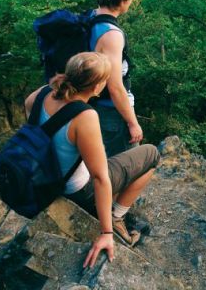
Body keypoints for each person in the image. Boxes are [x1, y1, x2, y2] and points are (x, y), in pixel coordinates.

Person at [24, 52, 160, 268]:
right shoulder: (84, 116)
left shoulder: (41, 94)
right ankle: (117, 217)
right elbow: (100, 178)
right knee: (151, 153)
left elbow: (31, 116)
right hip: (76, 189)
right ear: (97, 86)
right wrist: (106, 232)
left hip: (45, 176)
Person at [89, 0, 143, 157]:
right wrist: (132, 123)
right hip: (112, 112)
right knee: (129, 165)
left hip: (93, 106)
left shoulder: (89, 19)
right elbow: (115, 86)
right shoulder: (111, 34)